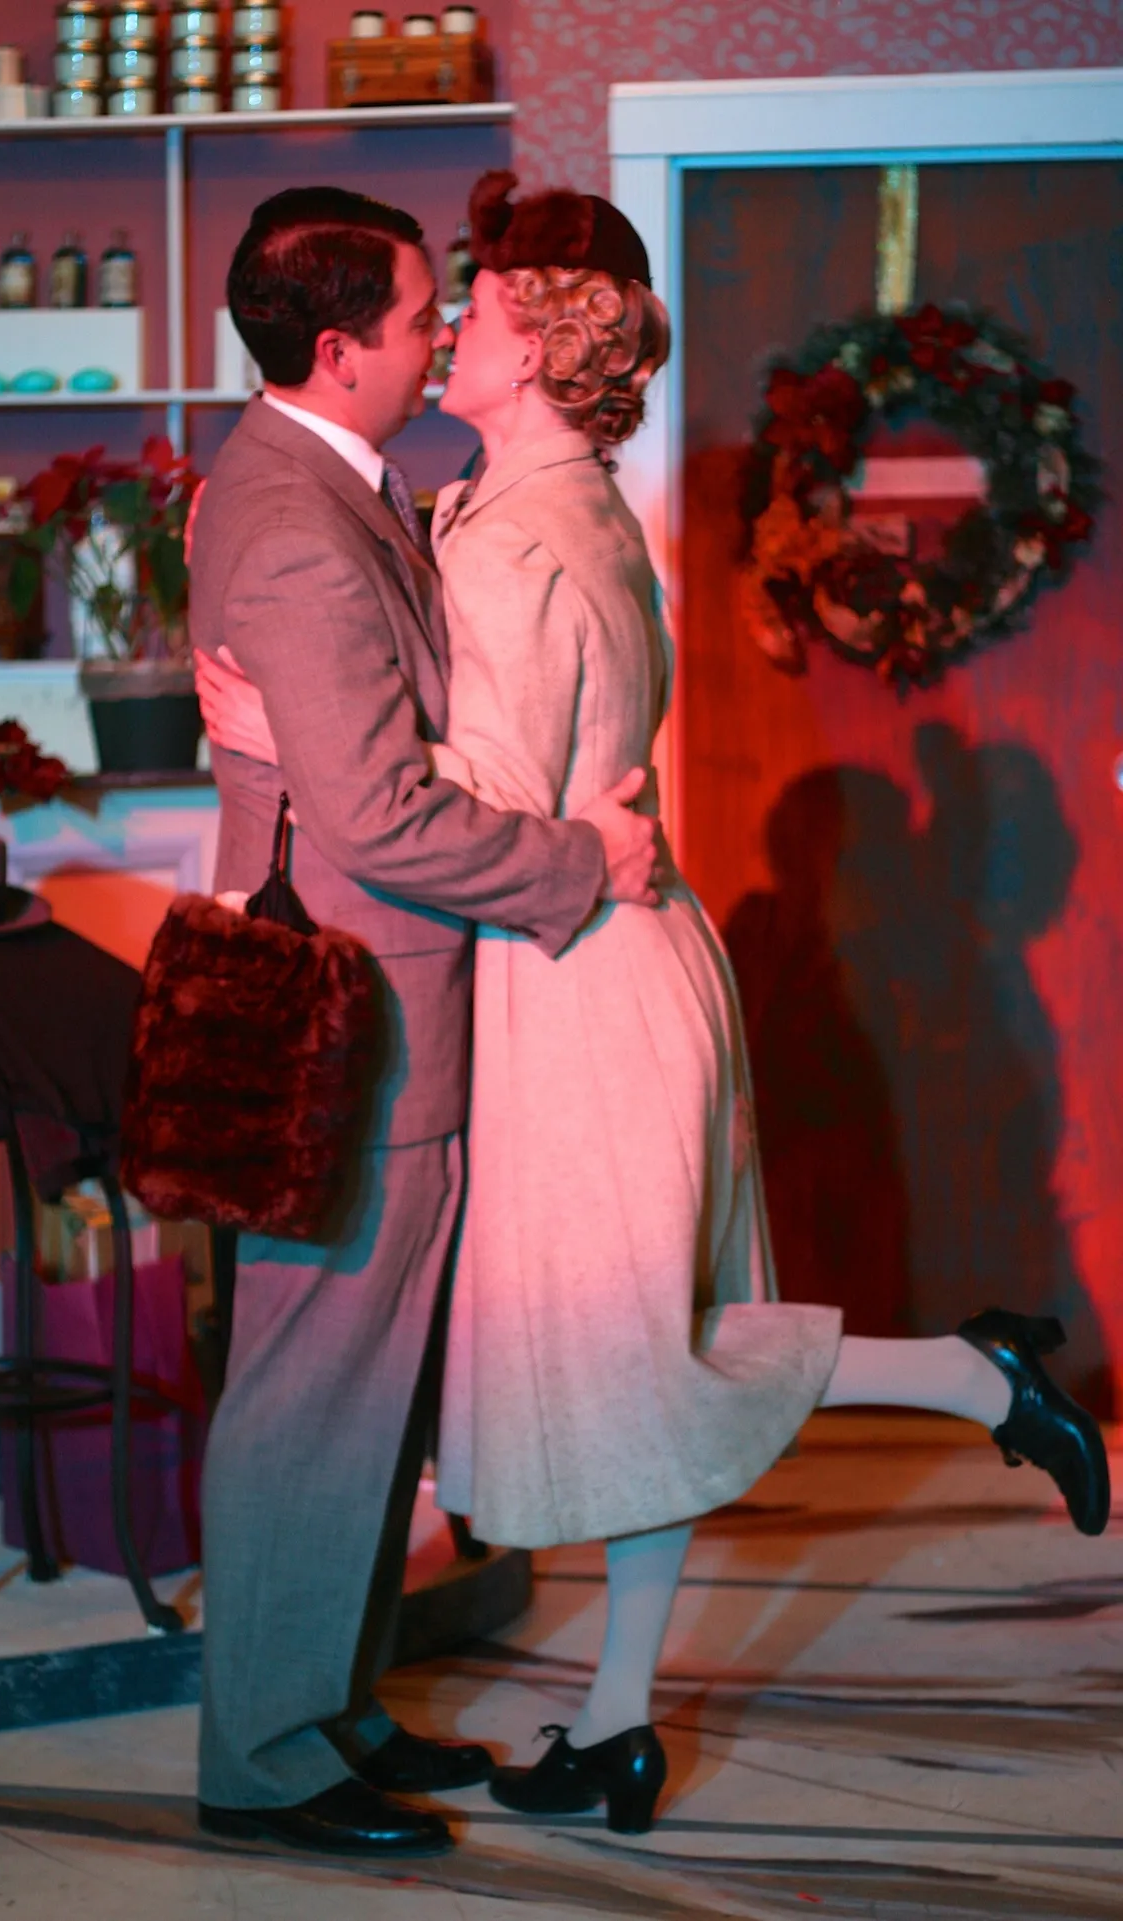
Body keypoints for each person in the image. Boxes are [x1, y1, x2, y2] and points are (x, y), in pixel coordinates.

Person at [426, 170, 1111, 1837]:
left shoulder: (514, 540)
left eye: (479, 308)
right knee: (650, 1360)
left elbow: (486, 805)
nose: (449, 329)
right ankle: (619, 1722)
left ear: (539, 349)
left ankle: (978, 1382)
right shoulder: (572, 509)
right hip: (631, 963)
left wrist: (304, 747)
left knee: (648, 1360)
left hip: (578, 985)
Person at [187, 185, 666, 1861]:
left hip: (387, 1014)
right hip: (353, 1024)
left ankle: (331, 1706)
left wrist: (279, 755)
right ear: (341, 350)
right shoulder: (300, 518)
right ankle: (266, 1760)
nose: (438, 334)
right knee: (311, 1402)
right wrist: (583, 860)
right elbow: (383, 816)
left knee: (365, 1401)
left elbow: (361, 750)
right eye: (416, 317)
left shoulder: (345, 483)